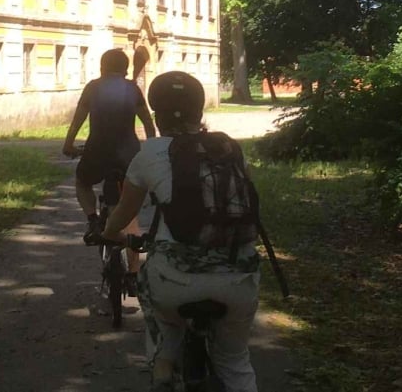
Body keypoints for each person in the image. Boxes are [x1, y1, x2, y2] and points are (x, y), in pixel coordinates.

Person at [103, 71, 261, 392]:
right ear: (200, 113)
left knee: (159, 305)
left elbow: (122, 216)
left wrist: (108, 234)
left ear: (157, 116)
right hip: (239, 278)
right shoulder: (229, 149)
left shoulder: (150, 153)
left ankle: (162, 365)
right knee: (234, 361)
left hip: (174, 283)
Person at [62, 47, 155, 281]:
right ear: (125, 69)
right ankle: (133, 273)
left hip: (97, 151)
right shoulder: (133, 88)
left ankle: (93, 221)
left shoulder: (93, 87)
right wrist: (153, 147)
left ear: (102, 67)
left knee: (83, 181)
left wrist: (69, 143)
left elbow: (79, 117)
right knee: (129, 211)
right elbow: (147, 121)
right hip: (128, 155)